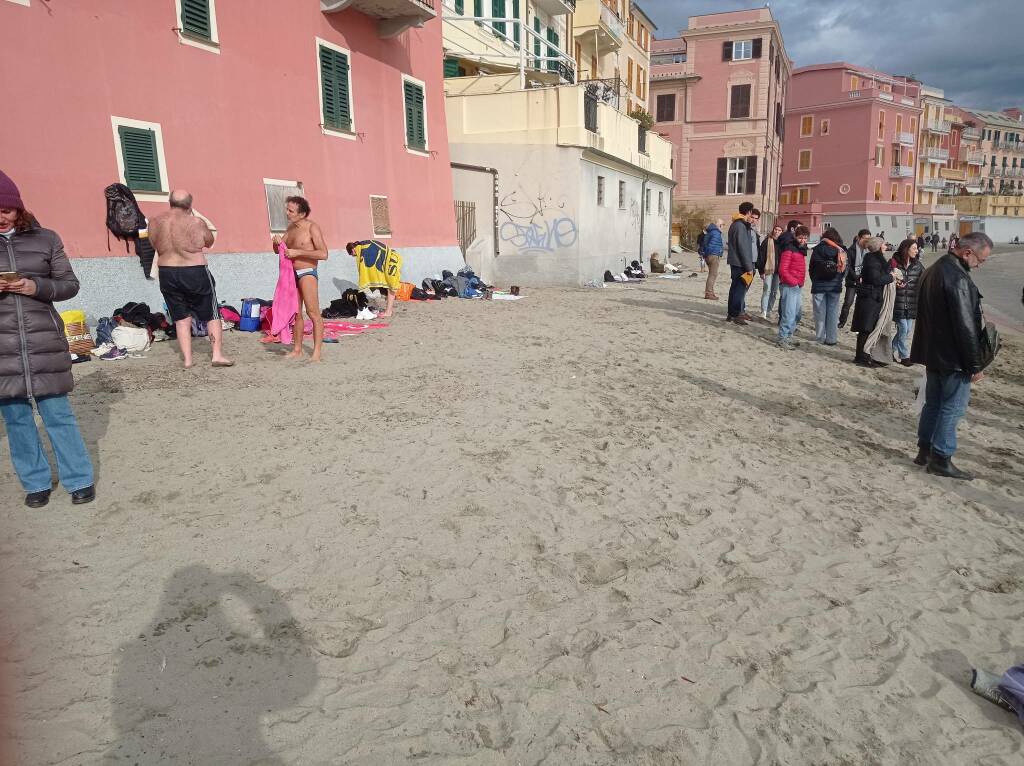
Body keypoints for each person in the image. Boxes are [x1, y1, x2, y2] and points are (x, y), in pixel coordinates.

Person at [0, 170, 95, 507]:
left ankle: (79, 478)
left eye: (5, 210)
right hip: (3, 348)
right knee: (16, 419)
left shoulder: (46, 239)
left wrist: (35, 287)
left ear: (18, 209)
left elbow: (69, 285)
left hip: (44, 342)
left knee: (58, 414)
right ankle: (36, 482)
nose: (1, 217)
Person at [909, 231, 994, 480]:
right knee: (952, 407)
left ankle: (924, 451)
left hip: (932, 352)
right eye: (980, 259)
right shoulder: (957, 278)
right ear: (967, 252)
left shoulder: (934, 269)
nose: (980, 265)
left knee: (933, 403)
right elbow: (965, 327)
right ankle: (941, 457)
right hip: (953, 357)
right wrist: (975, 366)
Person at [149, 190, 233, 369]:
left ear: (170, 202)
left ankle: (187, 360)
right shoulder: (195, 221)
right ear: (189, 204)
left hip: (167, 271)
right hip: (194, 271)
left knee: (180, 318)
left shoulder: (155, 222)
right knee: (211, 314)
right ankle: (216, 355)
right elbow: (209, 241)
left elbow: (153, 243)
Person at [272, 196, 328, 362]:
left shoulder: (312, 228)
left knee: (313, 312)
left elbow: (323, 254)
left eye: (291, 211)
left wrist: (298, 252)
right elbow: (278, 250)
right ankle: (297, 349)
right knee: (296, 314)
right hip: (291, 275)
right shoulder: (290, 229)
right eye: (287, 209)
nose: (287, 213)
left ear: (302, 214)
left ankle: (316, 352)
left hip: (307, 272)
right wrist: (275, 243)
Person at [851, 236, 895, 367]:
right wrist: (891, 277)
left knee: (868, 327)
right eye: (884, 245)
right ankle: (861, 357)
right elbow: (876, 279)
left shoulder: (875, 259)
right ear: (878, 246)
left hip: (872, 297)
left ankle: (865, 355)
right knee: (866, 328)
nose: (886, 247)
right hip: (870, 297)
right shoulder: (872, 260)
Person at [808, 227, 847, 345]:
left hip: (819, 285)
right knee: (833, 312)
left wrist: (814, 280)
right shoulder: (842, 251)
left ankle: (820, 337)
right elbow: (845, 269)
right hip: (834, 286)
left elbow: (812, 268)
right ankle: (831, 338)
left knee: (820, 312)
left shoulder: (818, 249)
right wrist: (839, 279)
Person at [347, 240, 402, 318]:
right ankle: (388, 309)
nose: (355, 256)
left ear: (352, 250)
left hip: (391, 260)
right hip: (392, 257)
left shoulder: (361, 249)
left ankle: (388, 312)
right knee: (389, 286)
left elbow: (367, 265)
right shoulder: (364, 244)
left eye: (353, 255)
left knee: (391, 286)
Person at [890, 238, 923, 366]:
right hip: (897, 302)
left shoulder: (918, 265)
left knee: (907, 330)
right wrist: (895, 283)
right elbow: (887, 276)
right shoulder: (894, 262)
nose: (917, 251)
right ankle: (904, 356)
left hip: (911, 303)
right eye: (914, 248)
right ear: (906, 249)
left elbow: (926, 278)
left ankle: (891, 350)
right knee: (903, 328)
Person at [776, 225, 810, 350]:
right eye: (800, 238)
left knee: (797, 314)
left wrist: (799, 283)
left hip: (797, 286)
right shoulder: (789, 249)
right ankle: (782, 338)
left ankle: (789, 336)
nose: (803, 240)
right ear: (795, 236)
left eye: (805, 238)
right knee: (788, 314)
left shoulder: (801, 250)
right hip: (789, 286)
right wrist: (793, 281)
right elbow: (782, 269)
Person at [726, 202, 756, 324]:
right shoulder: (740, 226)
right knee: (739, 290)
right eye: (751, 213)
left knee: (734, 289)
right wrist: (749, 267)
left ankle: (731, 314)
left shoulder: (736, 224)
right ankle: (736, 314)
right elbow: (743, 248)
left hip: (736, 262)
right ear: (748, 212)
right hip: (740, 264)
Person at [838, 228, 871, 329]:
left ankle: (858, 323)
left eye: (869, 239)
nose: (867, 241)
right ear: (859, 238)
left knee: (861, 304)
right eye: (865, 239)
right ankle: (842, 322)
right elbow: (849, 267)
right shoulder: (851, 250)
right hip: (852, 281)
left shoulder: (868, 251)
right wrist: (856, 277)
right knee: (848, 302)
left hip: (864, 282)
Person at [757, 223, 784, 320]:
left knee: (774, 291)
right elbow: (761, 257)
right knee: (766, 290)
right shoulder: (767, 241)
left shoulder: (782, 243)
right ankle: (763, 311)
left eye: (779, 230)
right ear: (773, 230)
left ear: (782, 232)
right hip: (768, 270)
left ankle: (769, 310)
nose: (777, 231)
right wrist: (761, 271)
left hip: (778, 271)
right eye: (776, 229)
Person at [702, 219, 724, 300]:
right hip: (714, 255)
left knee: (712, 274)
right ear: (719, 225)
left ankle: (710, 292)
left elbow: (705, 245)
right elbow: (712, 245)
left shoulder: (709, 232)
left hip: (709, 255)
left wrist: (705, 254)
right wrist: (717, 252)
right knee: (713, 274)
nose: (723, 227)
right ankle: (709, 293)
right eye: (723, 224)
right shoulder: (716, 233)